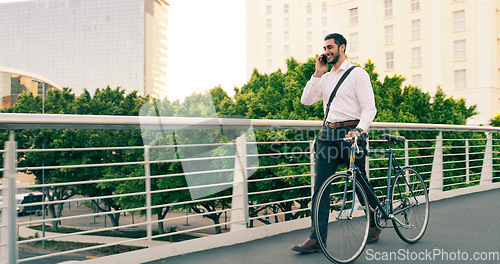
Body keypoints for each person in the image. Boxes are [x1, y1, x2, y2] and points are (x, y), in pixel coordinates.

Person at [291, 33, 378, 253]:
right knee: (321, 187)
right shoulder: (326, 78)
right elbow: (306, 100)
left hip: (352, 134)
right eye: (324, 48)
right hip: (327, 136)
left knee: (360, 183)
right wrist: (317, 74)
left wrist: (359, 130)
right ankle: (316, 239)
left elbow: (369, 108)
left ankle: (375, 220)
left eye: (330, 47)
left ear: (342, 47)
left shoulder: (358, 74)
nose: (327, 51)